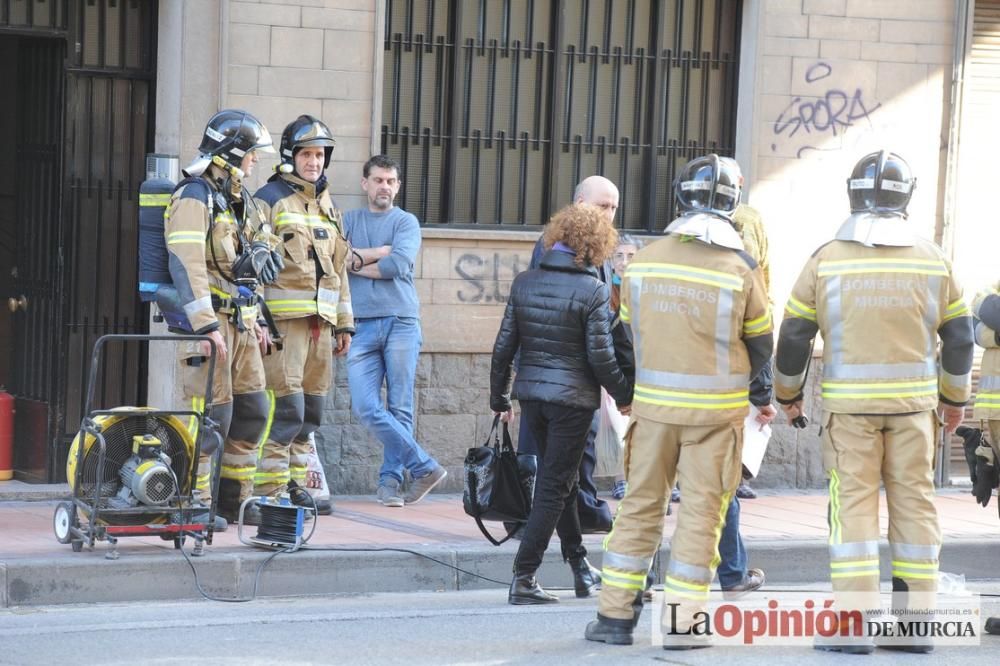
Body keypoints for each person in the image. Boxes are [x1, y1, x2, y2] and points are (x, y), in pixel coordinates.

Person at [774, 151, 973, 654]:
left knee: (854, 512)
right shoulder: (934, 259)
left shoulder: (826, 258)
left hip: (851, 417)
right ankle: (914, 628)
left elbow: (795, 335)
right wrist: (954, 400)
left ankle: (853, 626)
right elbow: (961, 338)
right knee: (915, 509)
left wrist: (788, 395)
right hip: (914, 413)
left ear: (853, 193)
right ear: (906, 197)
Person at [585, 154, 773, 649]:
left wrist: (629, 395)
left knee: (640, 508)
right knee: (701, 514)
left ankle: (614, 617)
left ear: (680, 197)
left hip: (652, 415)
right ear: (732, 204)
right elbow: (761, 345)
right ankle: (685, 626)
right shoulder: (741, 270)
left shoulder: (642, 263)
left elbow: (625, 334)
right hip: (715, 419)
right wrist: (766, 397)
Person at [490, 203, 633, 605]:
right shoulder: (594, 290)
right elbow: (602, 357)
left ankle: (580, 568)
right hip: (572, 402)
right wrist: (625, 396)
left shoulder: (525, 282)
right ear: (595, 246)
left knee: (564, 483)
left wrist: (499, 397)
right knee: (553, 488)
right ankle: (524, 575)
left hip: (533, 396)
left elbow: (503, 349)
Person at [165, 109, 282, 527]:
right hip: (210, 327)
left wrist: (262, 319)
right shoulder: (193, 196)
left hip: (245, 325)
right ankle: (193, 503)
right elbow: (186, 262)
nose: (256, 162)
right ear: (231, 154)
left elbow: (257, 259)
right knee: (212, 417)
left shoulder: (242, 202)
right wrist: (206, 326)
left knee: (252, 411)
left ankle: (233, 503)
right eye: (252, 154)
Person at [250, 115, 354, 515]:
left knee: (310, 414)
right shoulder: (269, 199)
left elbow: (339, 270)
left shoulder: (328, 204)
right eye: (307, 154)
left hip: (321, 328)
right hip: (283, 327)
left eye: (320, 154)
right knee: (287, 410)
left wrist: (344, 323)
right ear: (290, 156)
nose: (314, 161)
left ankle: (296, 486)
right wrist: (256, 320)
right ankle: (269, 491)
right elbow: (252, 267)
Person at [519, 175, 628, 533]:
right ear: (580, 203)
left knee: (575, 448)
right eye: (602, 205)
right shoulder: (558, 247)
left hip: (566, 370)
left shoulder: (599, 249)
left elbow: (611, 318)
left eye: (613, 206)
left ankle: (571, 513)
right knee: (555, 449)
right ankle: (564, 513)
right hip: (560, 368)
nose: (609, 213)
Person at [343, 155, 447, 507]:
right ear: (365, 183)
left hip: (401, 321)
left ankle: (389, 484)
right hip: (359, 325)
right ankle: (425, 466)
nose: (384, 186)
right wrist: (377, 253)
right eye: (378, 180)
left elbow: (397, 265)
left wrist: (359, 262)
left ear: (397, 186)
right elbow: (336, 260)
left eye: (390, 181)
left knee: (400, 406)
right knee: (366, 406)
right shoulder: (349, 220)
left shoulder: (406, 222)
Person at [608, 235, 641, 501]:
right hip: (615, 367)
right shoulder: (606, 289)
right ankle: (621, 478)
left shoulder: (646, 287)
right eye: (619, 256)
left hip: (642, 366)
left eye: (630, 256)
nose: (623, 262)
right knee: (619, 426)